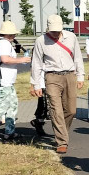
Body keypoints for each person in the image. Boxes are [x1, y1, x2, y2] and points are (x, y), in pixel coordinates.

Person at [30, 14, 84, 154]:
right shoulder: (41, 41)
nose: (55, 33)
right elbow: (36, 63)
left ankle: (62, 132)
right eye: (52, 30)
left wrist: (80, 75)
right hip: (52, 77)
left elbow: (77, 56)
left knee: (71, 110)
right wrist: (36, 84)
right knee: (56, 109)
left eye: (57, 30)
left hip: (70, 75)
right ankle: (62, 141)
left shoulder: (71, 37)